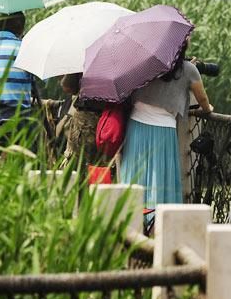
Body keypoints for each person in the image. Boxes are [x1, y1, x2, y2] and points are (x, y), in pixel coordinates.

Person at [118, 47, 213, 213]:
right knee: (160, 179)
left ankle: (131, 220)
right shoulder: (189, 69)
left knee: (135, 176)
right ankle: (158, 224)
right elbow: (202, 98)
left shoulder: (145, 63)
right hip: (164, 130)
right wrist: (208, 109)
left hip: (136, 125)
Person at [55, 73, 102, 169]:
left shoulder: (84, 61)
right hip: (109, 119)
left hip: (85, 118)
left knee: (78, 162)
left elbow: (68, 86)